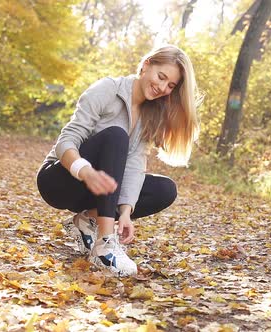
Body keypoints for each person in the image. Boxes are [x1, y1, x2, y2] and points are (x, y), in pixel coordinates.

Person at [36, 44, 201, 277]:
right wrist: (85, 171)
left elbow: (134, 165)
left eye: (171, 85)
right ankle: (105, 244)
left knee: (165, 189)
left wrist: (125, 211)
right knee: (116, 136)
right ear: (146, 65)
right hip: (60, 181)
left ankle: (88, 221)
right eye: (161, 77)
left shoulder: (149, 113)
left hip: (99, 189)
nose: (163, 87)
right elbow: (66, 141)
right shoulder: (107, 89)